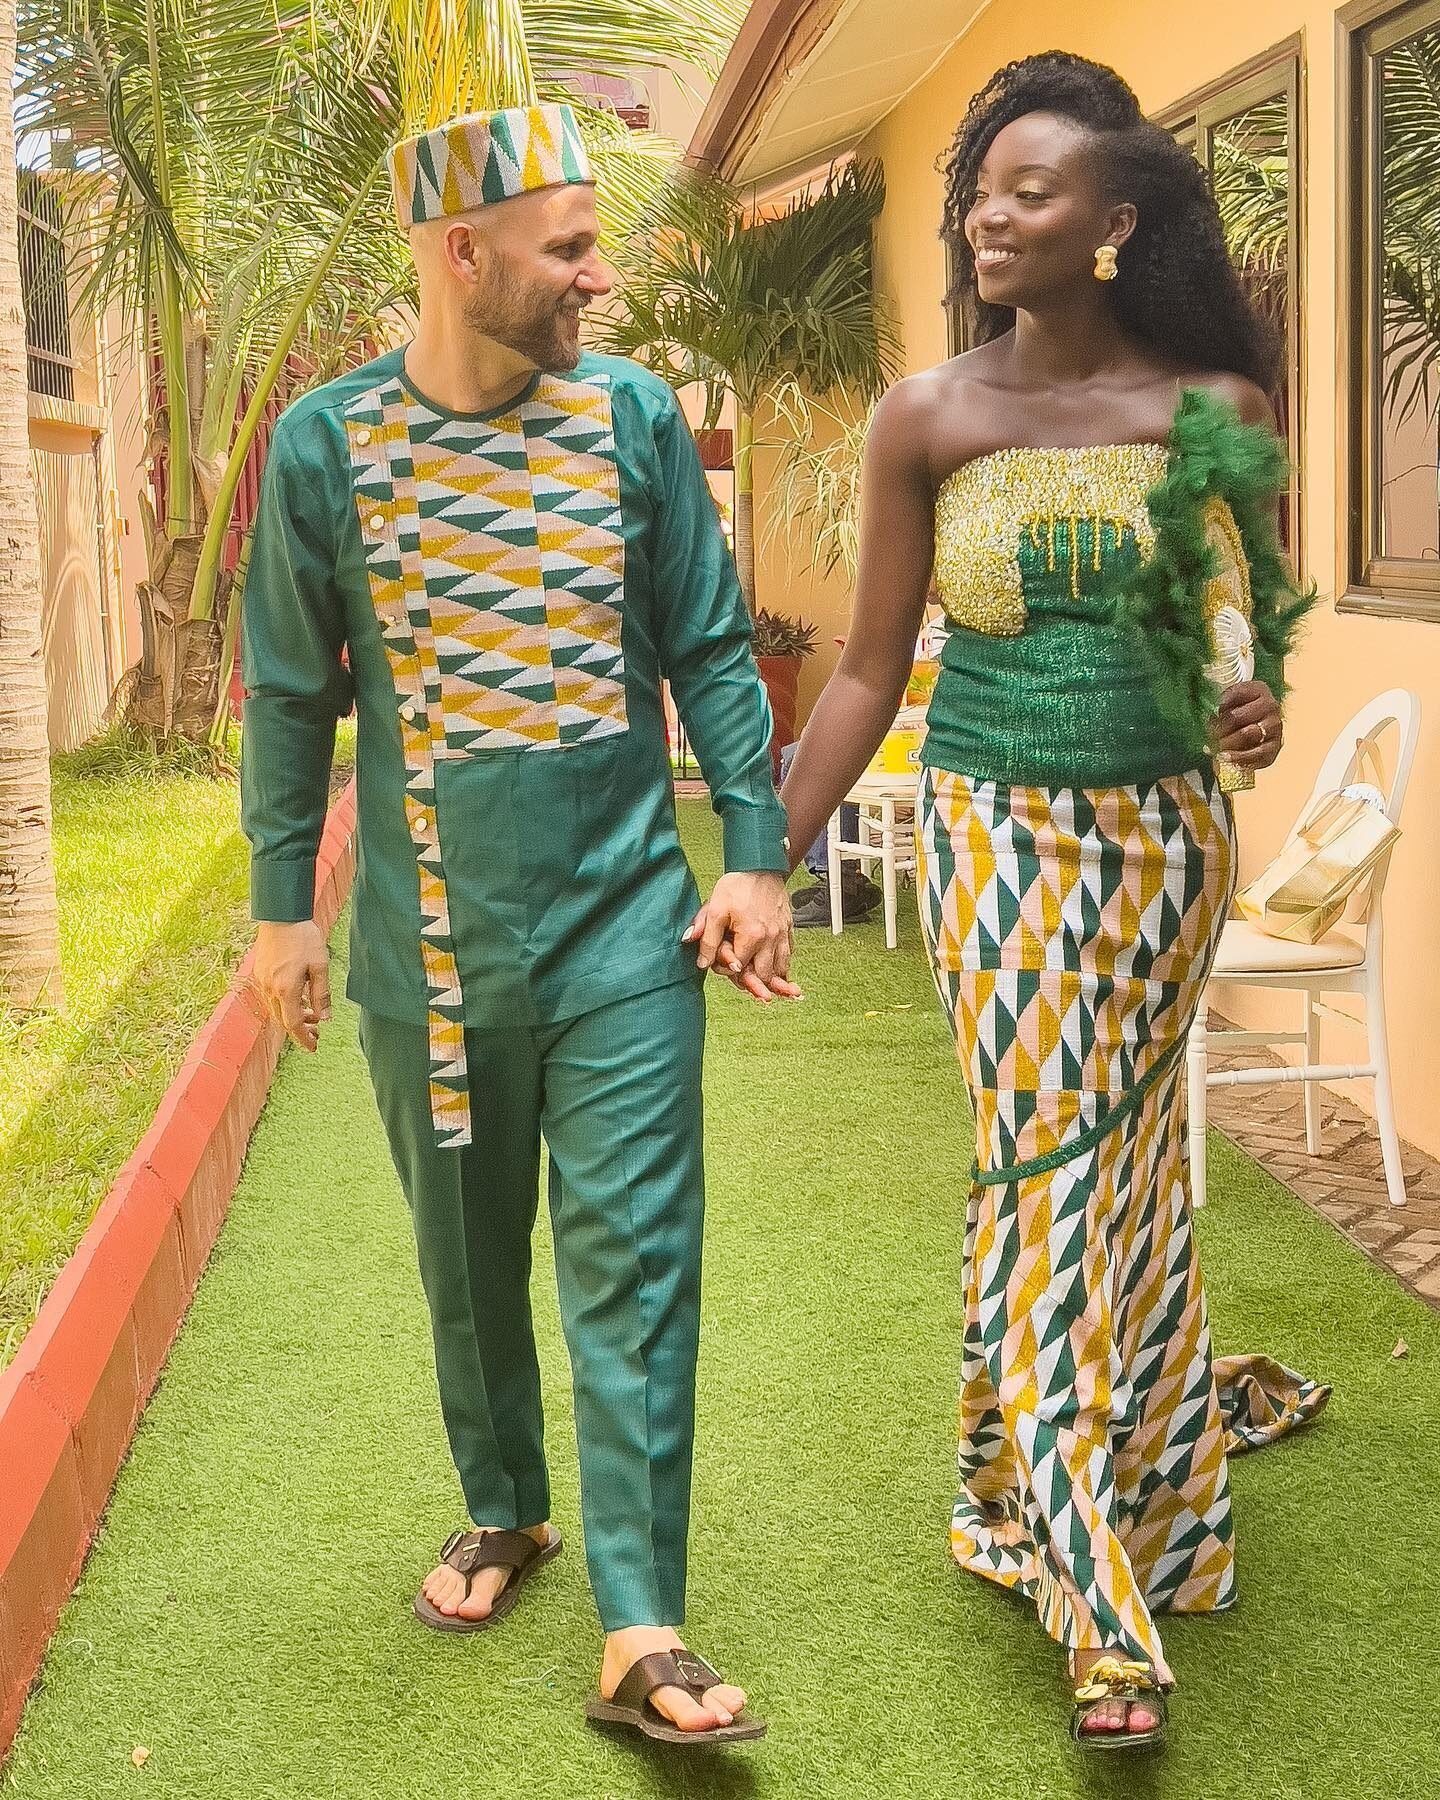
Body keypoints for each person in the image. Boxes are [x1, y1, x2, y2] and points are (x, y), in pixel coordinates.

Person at [776, 53, 1328, 1751]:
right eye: (979, 195)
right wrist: (761, 849)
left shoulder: (1219, 408)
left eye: (1027, 193)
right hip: (994, 833)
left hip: (1166, 839)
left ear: (1117, 225)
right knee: (1049, 1159)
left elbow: (1246, 619)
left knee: (1125, 1162)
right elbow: (866, 670)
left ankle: (1096, 1472)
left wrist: (1258, 702)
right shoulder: (928, 416)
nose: (985, 219)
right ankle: (1094, 1588)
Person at [241, 102, 797, 1748]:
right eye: (570, 249)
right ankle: (507, 1505)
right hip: (430, 951)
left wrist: (754, 853)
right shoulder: (325, 447)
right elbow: (291, 694)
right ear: (463, 252)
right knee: (469, 1264)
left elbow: (710, 646)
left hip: (628, 935)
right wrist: (281, 910)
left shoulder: (632, 418)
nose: (598, 279)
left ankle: (641, 1622)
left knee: (635, 1266)